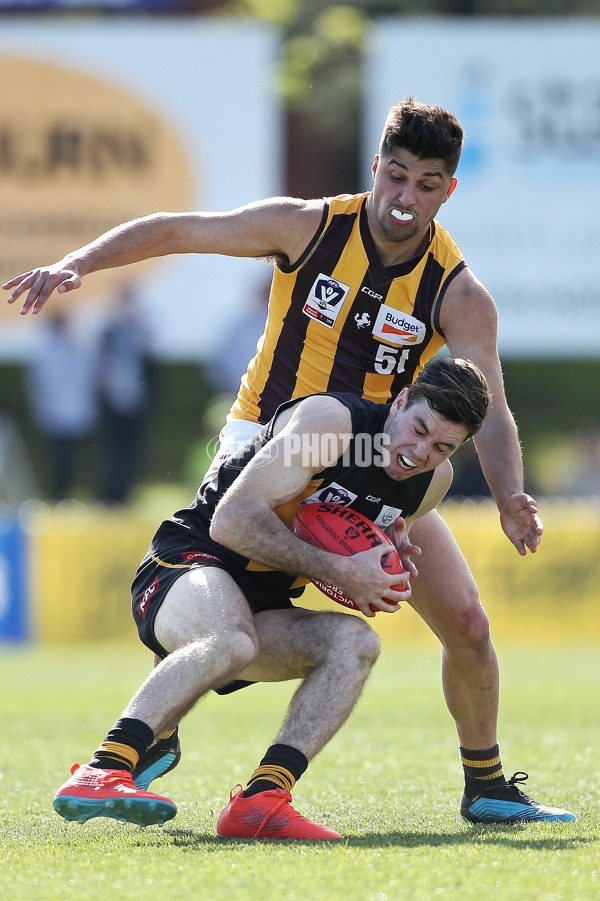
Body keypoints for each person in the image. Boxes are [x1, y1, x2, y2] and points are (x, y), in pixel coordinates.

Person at [4, 97, 564, 825]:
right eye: (396, 176)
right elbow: (180, 229)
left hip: (377, 456)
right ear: (376, 168)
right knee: (230, 576)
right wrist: (77, 263)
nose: (405, 197)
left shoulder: (458, 292)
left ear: (447, 191)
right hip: (272, 438)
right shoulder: (309, 226)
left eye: (427, 184)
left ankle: (485, 783)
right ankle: (146, 732)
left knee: (467, 621)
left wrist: (510, 495)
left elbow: (488, 405)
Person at [52, 358, 540, 839]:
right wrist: (341, 569)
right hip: (188, 563)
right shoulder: (330, 425)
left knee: (355, 644)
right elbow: (231, 520)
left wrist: (388, 550)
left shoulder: (432, 483)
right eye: (418, 429)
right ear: (401, 401)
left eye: (442, 446)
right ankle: (103, 769)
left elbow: (371, 522)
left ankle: (261, 800)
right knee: (230, 639)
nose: (419, 453)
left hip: (264, 604)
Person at [26, 309, 98, 500]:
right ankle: (57, 495)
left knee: (70, 458)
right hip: (55, 413)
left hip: (73, 412)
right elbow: (43, 382)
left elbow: (86, 376)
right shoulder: (46, 349)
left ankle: (66, 494)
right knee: (57, 458)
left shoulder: (77, 345)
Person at [96, 286, 154, 505]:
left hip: (135, 402)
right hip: (112, 402)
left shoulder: (141, 333)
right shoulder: (109, 333)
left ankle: (124, 495)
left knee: (131, 452)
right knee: (112, 452)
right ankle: (108, 496)